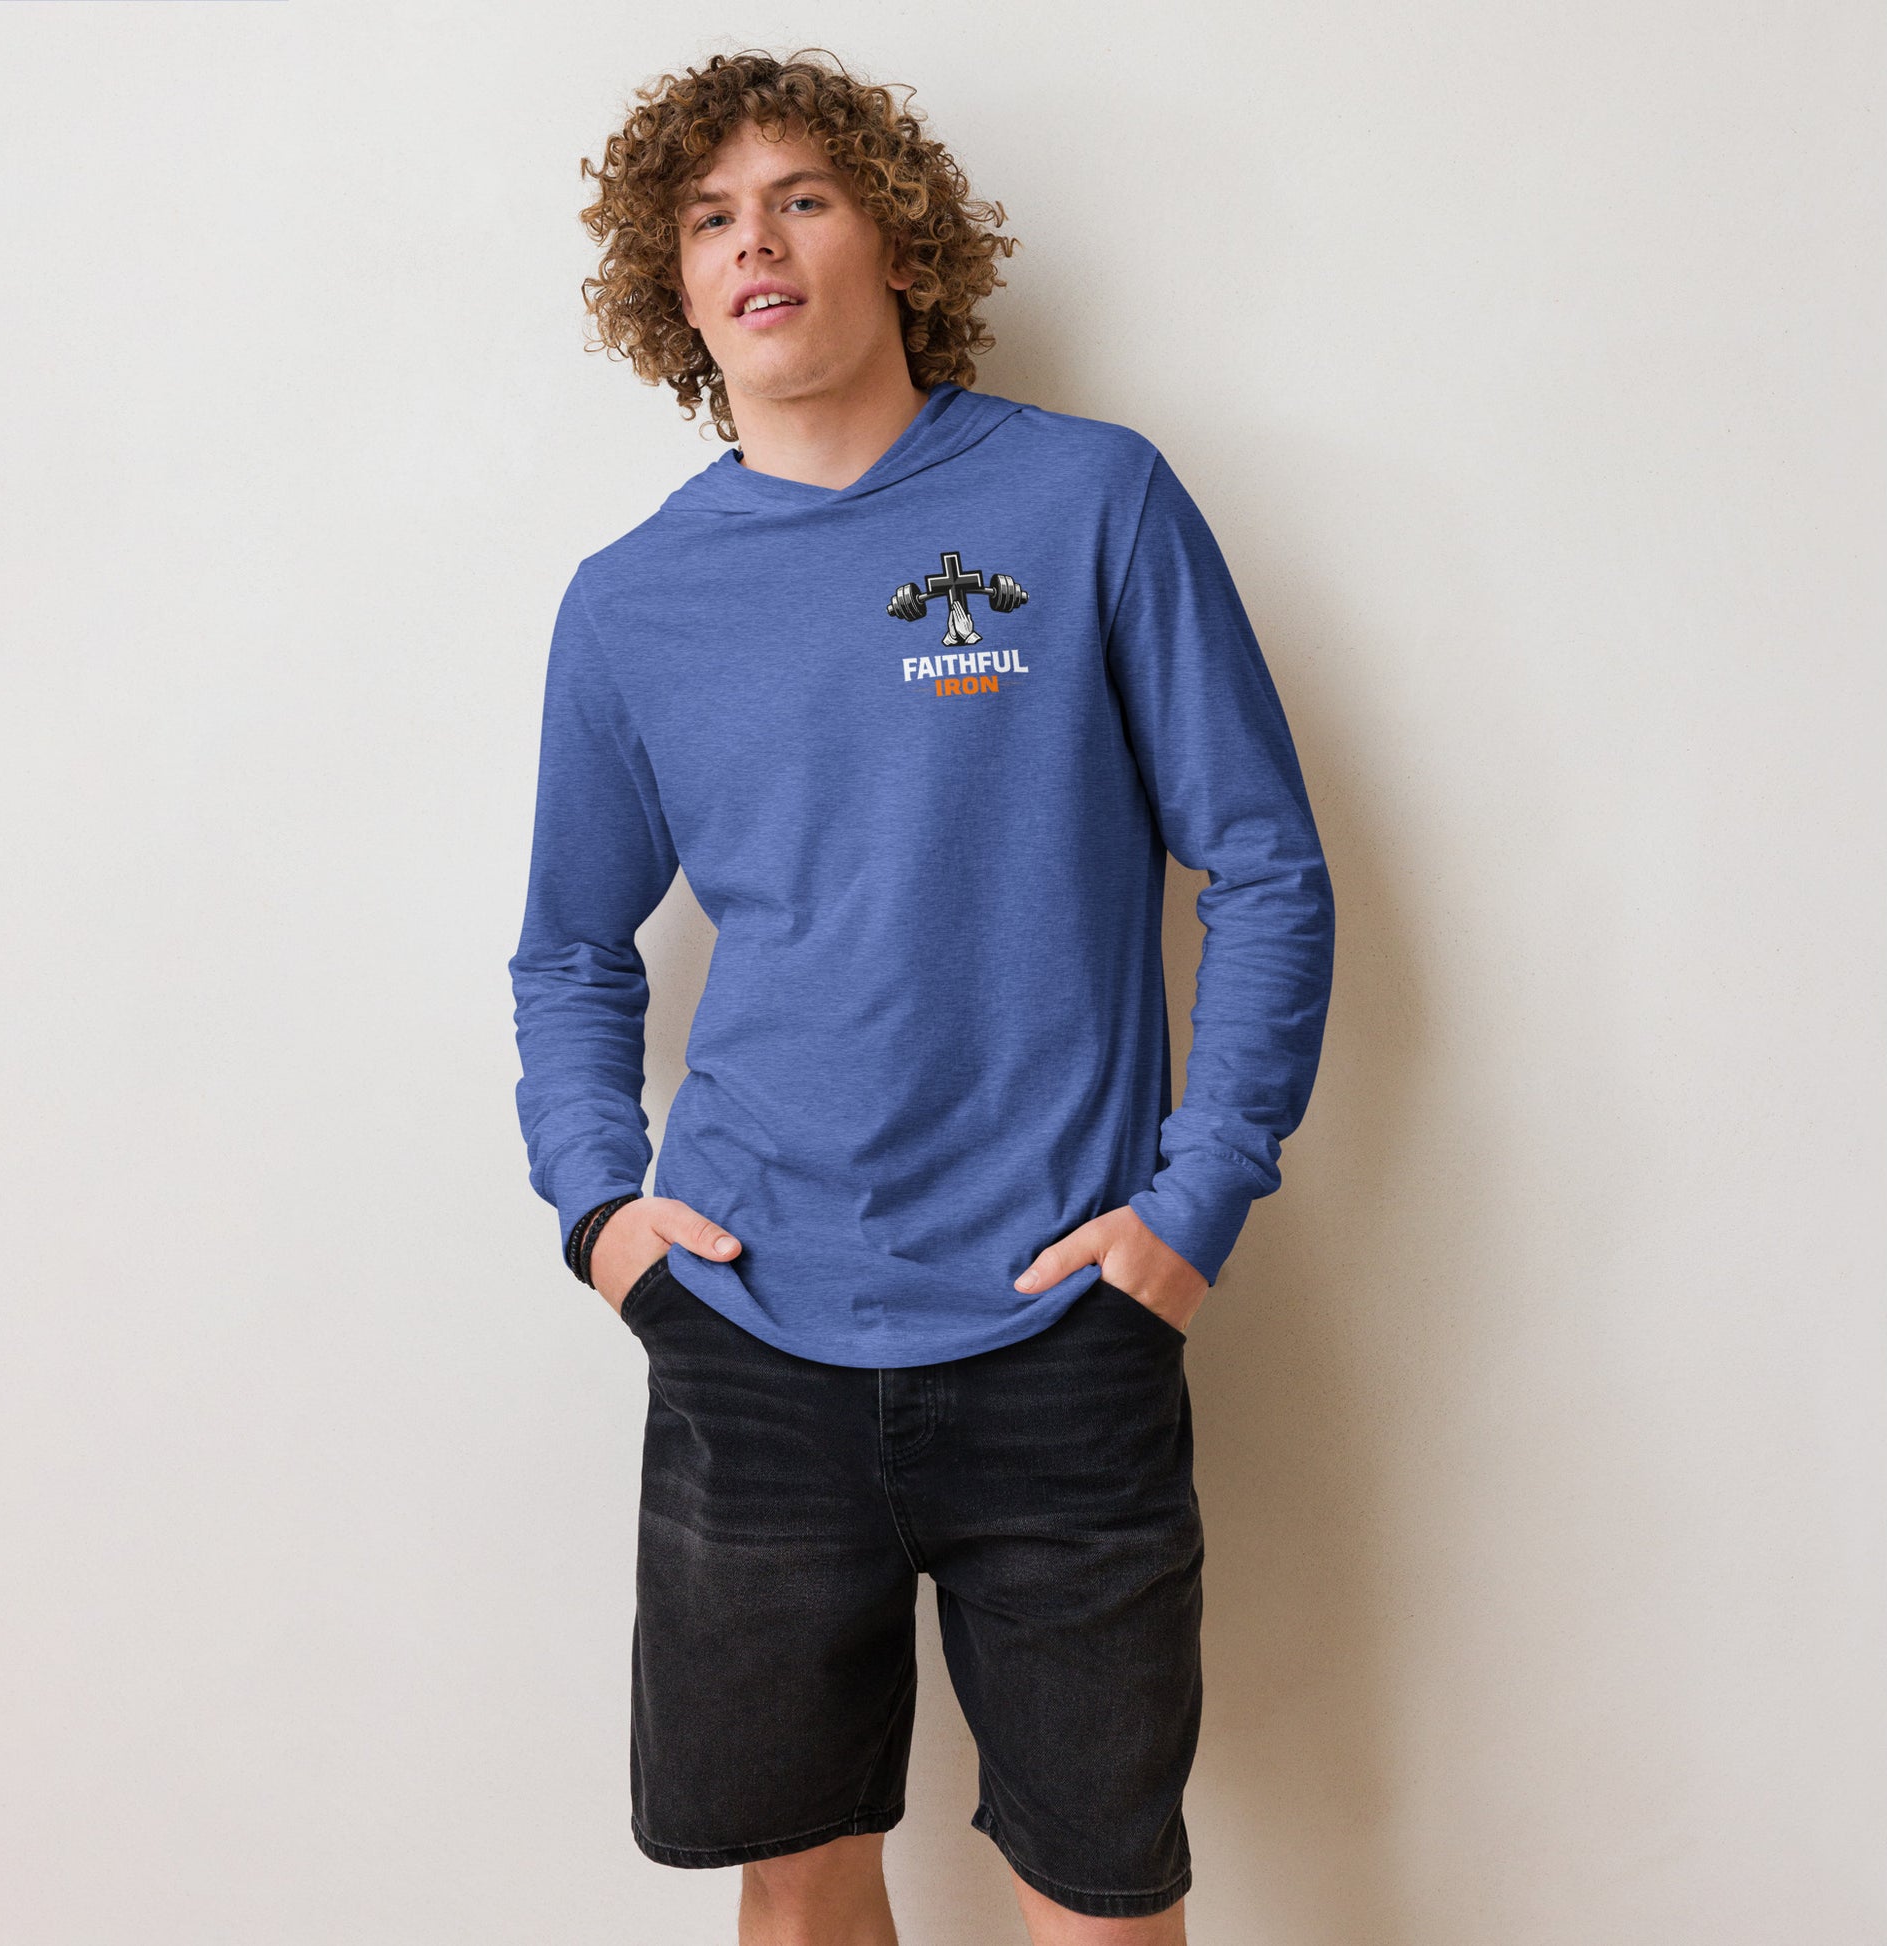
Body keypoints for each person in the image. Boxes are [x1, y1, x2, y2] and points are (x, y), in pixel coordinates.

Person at [507, 47, 1335, 1946]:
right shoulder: (630, 601)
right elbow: (568, 946)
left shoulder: (1089, 499)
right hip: (746, 1327)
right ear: (671, 284)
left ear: (894, 238)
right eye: (708, 218)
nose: (755, 242)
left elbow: (1264, 865)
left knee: (1098, 1897)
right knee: (796, 1893)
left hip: (1064, 1317)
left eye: (799, 197)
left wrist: (1197, 1199)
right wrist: (602, 1211)